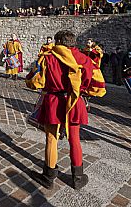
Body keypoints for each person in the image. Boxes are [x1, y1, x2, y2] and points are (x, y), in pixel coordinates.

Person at [25, 30, 106, 190]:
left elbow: (34, 82)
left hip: (54, 101)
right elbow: (99, 87)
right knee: (74, 139)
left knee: (51, 138)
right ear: (73, 42)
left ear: (58, 42)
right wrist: (81, 91)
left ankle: (48, 177)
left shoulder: (47, 58)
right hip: (74, 102)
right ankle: (78, 178)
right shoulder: (85, 59)